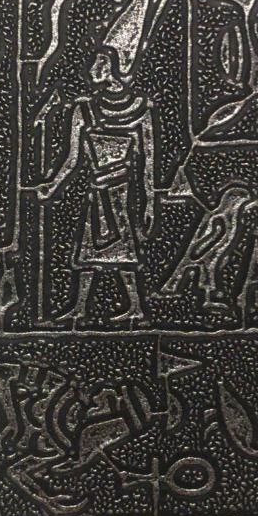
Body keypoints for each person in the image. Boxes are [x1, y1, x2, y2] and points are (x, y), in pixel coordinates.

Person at [36, 47, 155, 325]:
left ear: (111, 67)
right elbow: (72, 159)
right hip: (98, 191)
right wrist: (52, 186)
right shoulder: (85, 110)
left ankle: (136, 307)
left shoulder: (141, 109)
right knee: (88, 249)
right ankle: (80, 307)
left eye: (97, 64)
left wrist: (150, 201)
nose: (91, 71)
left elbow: (148, 160)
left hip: (122, 194)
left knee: (125, 249)